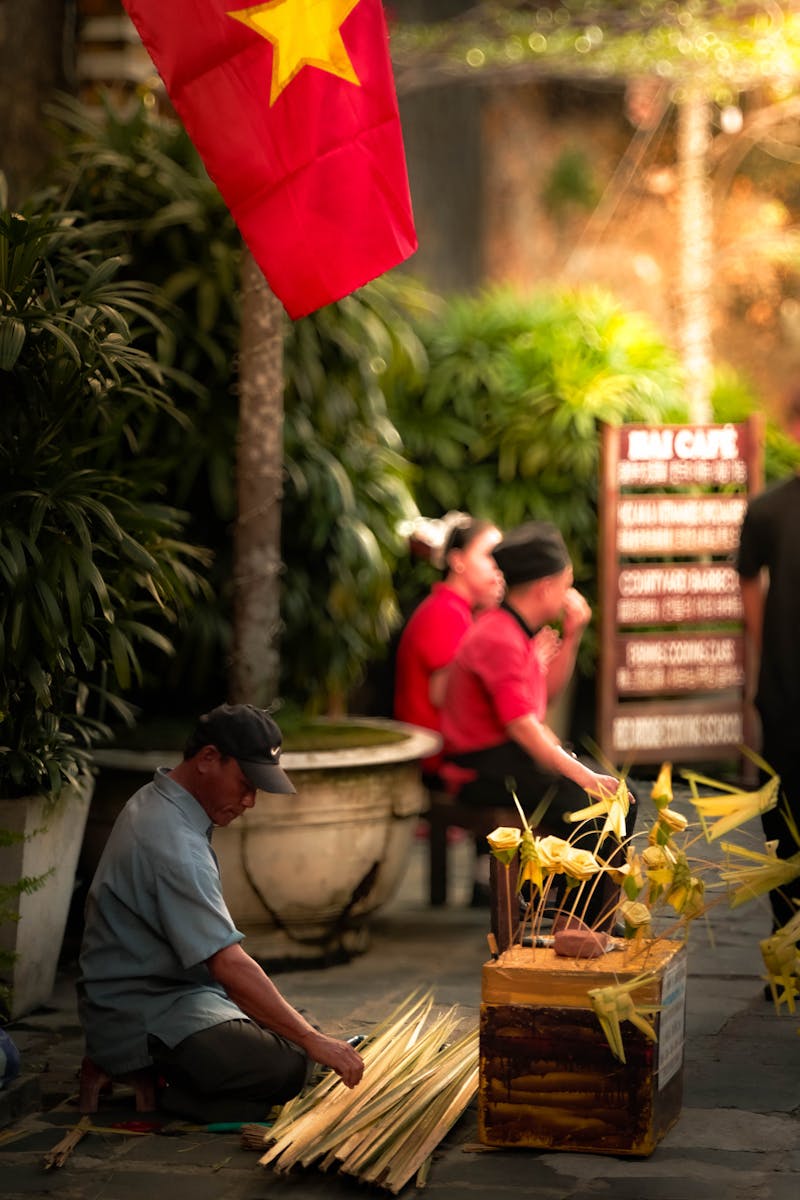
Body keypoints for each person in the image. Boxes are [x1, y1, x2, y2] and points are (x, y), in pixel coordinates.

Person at [78, 704, 364, 1122]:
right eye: (245, 784)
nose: (249, 801)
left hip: (173, 996)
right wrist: (310, 1041)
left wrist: (306, 1035)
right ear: (208, 759)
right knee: (288, 1065)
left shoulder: (156, 797)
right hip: (143, 1013)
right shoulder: (174, 844)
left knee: (297, 1030)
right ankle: (171, 1093)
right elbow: (227, 963)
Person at [440, 520, 636, 929]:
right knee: (597, 803)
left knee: (618, 797)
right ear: (546, 587)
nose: (570, 595)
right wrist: (582, 774)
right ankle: (575, 921)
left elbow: (541, 700)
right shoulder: (498, 636)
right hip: (480, 767)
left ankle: (577, 914)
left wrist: (574, 634)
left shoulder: (512, 628)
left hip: (507, 757)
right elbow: (523, 727)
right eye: (566, 584)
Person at [736, 397, 800, 931]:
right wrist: (768, 645)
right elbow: (747, 579)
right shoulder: (768, 508)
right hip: (784, 686)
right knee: (782, 809)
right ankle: (789, 940)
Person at [394, 515, 504, 786]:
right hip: (438, 760)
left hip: (449, 753)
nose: (499, 568)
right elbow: (446, 695)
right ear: (458, 561)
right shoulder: (445, 612)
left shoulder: (459, 611)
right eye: (490, 556)